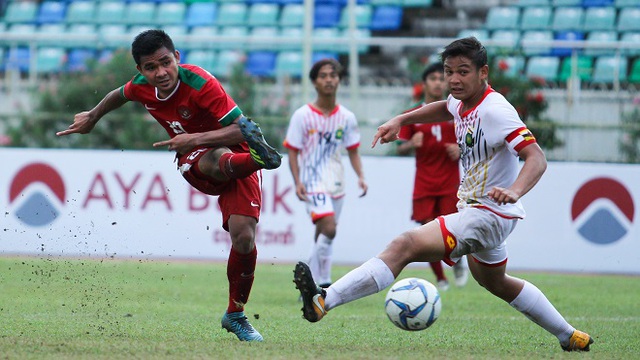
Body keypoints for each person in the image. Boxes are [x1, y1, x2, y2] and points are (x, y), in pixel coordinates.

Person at [293, 37, 593, 352]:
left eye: (463, 71)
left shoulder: (496, 110)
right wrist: (402, 119)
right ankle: (569, 335)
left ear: (483, 72)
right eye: (449, 71)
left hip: (489, 214)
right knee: (496, 282)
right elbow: (443, 108)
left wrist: (514, 190)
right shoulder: (461, 102)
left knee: (404, 245)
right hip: (481, 212)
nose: (453, 79)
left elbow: (537, 158)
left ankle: (324, 300)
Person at [56, 29, 282, 342]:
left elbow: (241, 130)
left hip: (235, 150)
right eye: (151, 67)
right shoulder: (140, 87)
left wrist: (195, 137)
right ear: (140, 71)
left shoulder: (202, 84)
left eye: (165, 62)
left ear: (177, 57)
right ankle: (262, 159)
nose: (161, 72)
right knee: (216, 156)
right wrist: (93, 117)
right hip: (198, 158)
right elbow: (118, 95)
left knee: (243, 237)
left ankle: (235, 314)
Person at [283, 59, 368, 289]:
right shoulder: (302, 116)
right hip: (312, 181)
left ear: (339, 80)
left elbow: (353, 151)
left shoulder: (347, 118)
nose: (329, 79)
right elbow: (292, 151)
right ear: (314, 82)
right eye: (323, 75)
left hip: (337, 181)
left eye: (333, 75)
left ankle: (315, 280)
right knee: (329, 227)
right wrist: (297, 181)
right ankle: (317, 278)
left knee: (325, 233)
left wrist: (360, 176)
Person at [396, 62, 468, 291]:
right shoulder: (414, 114)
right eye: (433, 78)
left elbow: (473, 140)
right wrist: (409, 145)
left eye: (441, 78)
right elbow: (399, 147)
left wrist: (461, 149)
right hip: (424, 182)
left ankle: (457, 261)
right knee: (427, 231)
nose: (438, 82)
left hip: (450, 183)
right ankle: (441, 279)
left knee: (451, 230)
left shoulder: (457, 112)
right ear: (425, 83)